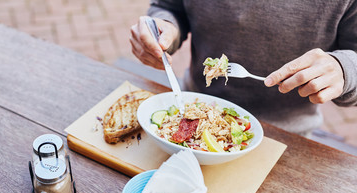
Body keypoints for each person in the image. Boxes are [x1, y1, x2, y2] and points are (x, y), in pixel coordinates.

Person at [130, 1, 357, 136]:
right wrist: (162, 28)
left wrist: (343, 68)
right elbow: (168, 7)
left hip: (286, 137)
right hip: (191, 110)